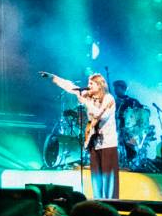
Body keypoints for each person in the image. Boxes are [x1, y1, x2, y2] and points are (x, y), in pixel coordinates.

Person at [47, 70, 119, 198]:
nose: (89, 85)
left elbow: (99, 115)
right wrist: (54, 78)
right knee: (96, 180)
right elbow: (71, 86)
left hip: (108, 144)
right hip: (94, 143)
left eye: (91, 83)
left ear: (99, 85)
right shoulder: (88, 96)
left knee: (109, 182)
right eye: (88, 83)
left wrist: (86, 102)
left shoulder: (108, 99)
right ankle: (98, 204)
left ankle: (111, 206)